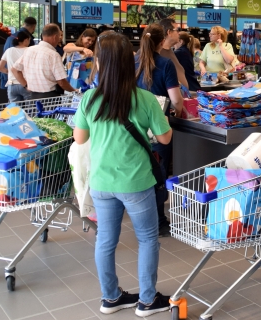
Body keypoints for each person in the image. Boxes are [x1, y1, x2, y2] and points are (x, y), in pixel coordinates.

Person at [73, 33, 172, 317]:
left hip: (102, 181)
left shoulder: (89, 98)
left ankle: (111, 297)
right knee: (147, 238)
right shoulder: (145, 98)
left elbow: (80, 139)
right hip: (136, 181)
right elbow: (164, 139)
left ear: (100, 63)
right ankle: (148, 300)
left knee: (105, 240)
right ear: (130, 62)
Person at [135, 24, 184, 237]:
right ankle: (159, 220)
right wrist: (179, 111)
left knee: (141, 171)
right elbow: (175, 99)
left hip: (134, 125)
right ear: (162, 40)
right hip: (158, 125)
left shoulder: (132, 61)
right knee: (159, 172)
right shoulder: (165, 64)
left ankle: (141, 217)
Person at [11, 24, 76, 99]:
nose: (59, 39)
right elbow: (61, 82)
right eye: (59, 36)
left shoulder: (29, 50)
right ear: (55, 37)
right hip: (50, 97)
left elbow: (14, 69)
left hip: (32, 96)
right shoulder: (53, 55)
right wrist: (74, 90)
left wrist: (26, 85)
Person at [0, 17, 37, 89]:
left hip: (8, 75)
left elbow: (0, 66)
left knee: (11, 99)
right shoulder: (28, 39)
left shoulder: (11, 36)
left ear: (23, 24)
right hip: (22, 78)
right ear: (34, 27)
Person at [0, 30, 32, 102]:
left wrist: (10, 72)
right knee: (30, 110)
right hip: (26, 84)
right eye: (29, 40)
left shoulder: (9, 50)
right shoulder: (30, 50)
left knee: (14, 111)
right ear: (26, 40)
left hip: (12, 85)